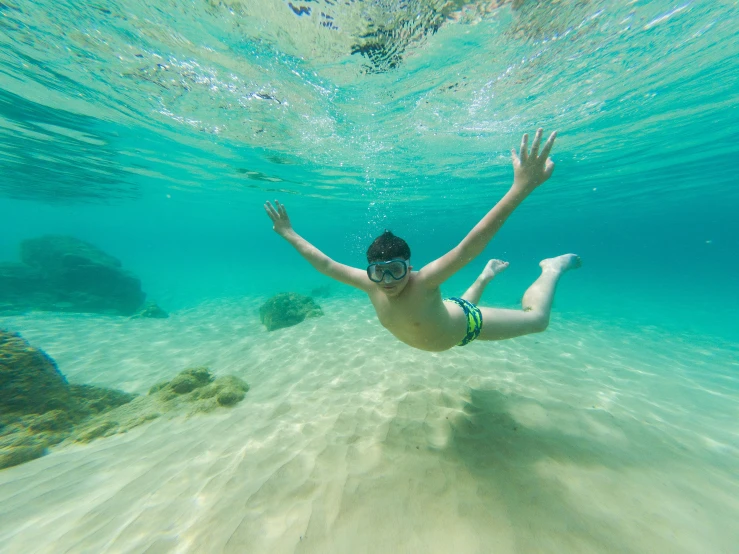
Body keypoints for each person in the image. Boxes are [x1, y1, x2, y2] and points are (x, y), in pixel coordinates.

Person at [264, 128, 580, 352]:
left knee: (537, 321)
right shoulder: (369, 284)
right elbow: (326, 264)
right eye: (379, 272)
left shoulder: (425, 281)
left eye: (395, 271)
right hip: (450, 316)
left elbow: (469, 246)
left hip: (466, 326)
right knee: (459, 302)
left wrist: (519, 188)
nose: (387, 281)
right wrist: (289, 233)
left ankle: (551, 268)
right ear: (370, 271)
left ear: (410, 267)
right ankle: (486, 275)